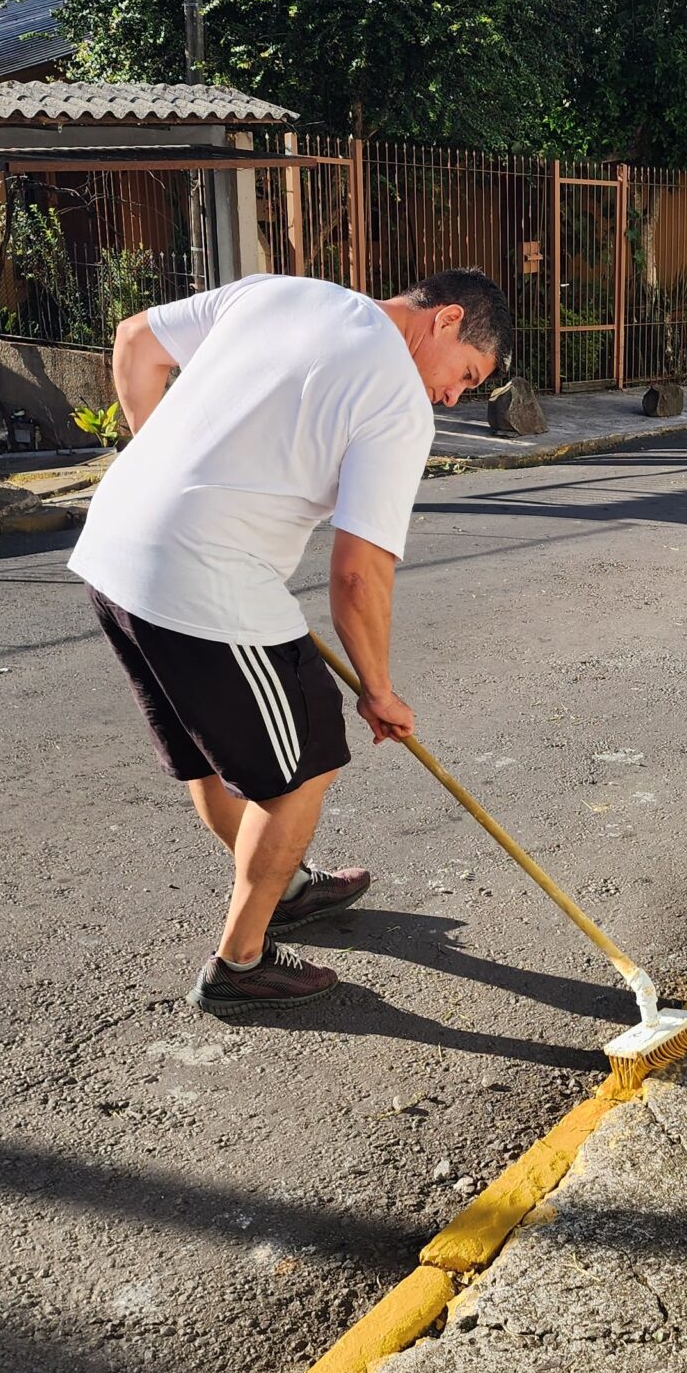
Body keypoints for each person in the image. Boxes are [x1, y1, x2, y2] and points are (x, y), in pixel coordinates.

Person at [69, 266, 512, 1014]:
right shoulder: (397, 400)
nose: (452, 395)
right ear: (446, 320)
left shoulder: (282, 291)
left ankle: (290, 885)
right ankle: (241, 964)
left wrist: (159, 462)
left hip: (112, 552)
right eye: (465, 375)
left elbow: (135, 341)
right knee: (302, 767)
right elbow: (360, 574)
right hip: (204, 583)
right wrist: (377, 689)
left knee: (213, 754)